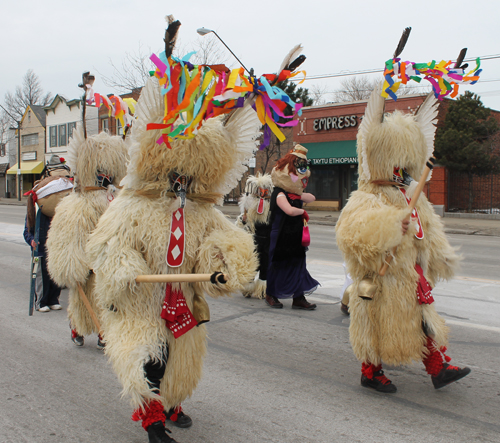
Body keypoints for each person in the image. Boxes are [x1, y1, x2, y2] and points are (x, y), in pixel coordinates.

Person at [335, 84, 470, 393]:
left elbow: (428, 231)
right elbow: (352, 235)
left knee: (423, 321)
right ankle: (370, 371)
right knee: (376, 328)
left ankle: (438, 367)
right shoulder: (366, 196)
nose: (404, 172)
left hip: (410, 277)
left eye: (407, 164)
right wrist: (391, 224)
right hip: (381, 282)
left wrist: (439, 253)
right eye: (397, 164)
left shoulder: (411, 197)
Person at [47, 125, 129, 350]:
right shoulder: (77, 204)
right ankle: (77, 327)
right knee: (81, 301)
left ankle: (105, 333)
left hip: (107, 261)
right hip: (87, 261)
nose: (106, 177)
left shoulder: (116, 200)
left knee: (108, 299)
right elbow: (67, 235)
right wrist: (73, 263)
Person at [266, 145, 319, 310]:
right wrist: (302, 210)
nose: (296, 176)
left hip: (295, 235)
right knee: (277, 264)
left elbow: (311, 197)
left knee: (298, 264)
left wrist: (300, 194)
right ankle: (271, 294)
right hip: (280, 235)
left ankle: (298, 297)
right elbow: (288, 210)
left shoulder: (294, 194)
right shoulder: (280, 194)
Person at [236, 173, 273, 299]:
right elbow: (242, 223)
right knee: (254, 263)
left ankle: (262, 289)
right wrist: (243, 219)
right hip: (254, 238)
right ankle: (248, 287)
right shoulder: (251, 205)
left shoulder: (271, 206)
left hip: (267, 239)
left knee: (265, 265)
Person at [23, 206, 61, 313]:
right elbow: (27, 232)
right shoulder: (34, 212)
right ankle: (40, 302)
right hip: (39, 251)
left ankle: (53, 300)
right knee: (41, 277)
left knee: (54, 277)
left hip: (54, 250)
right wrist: (31, 241)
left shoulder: (56, 212)